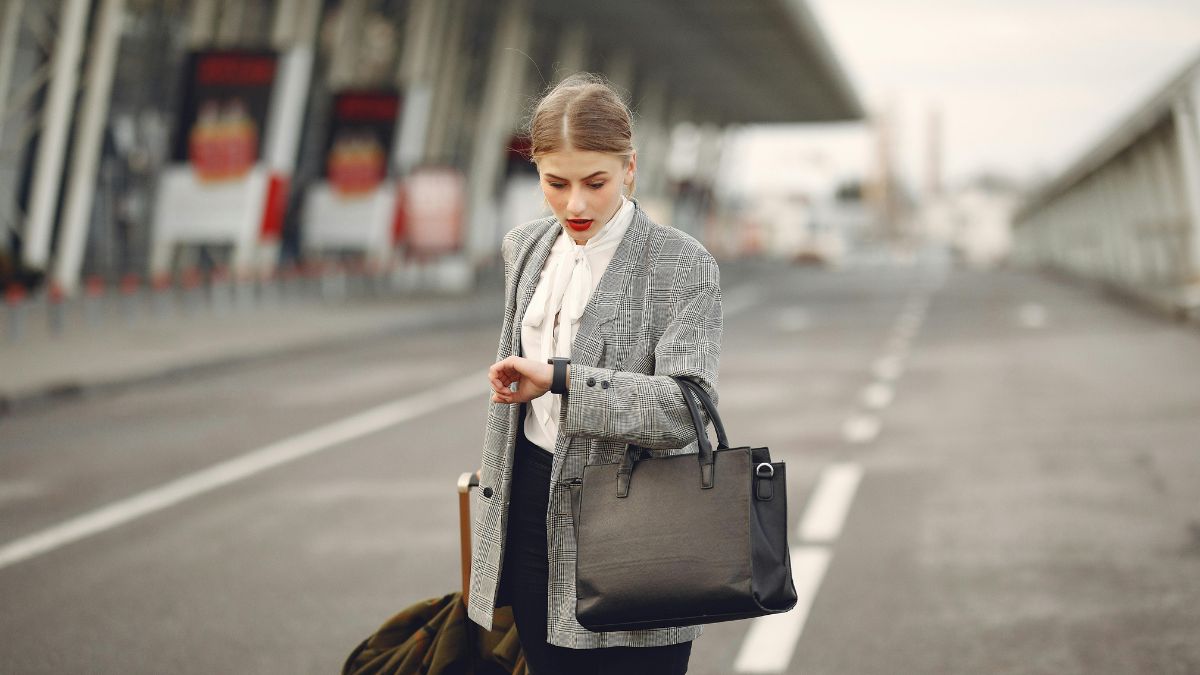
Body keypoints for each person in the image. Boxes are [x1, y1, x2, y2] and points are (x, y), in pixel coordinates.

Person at [467, 73, 723, 675]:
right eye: (556, 183)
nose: (575, 205)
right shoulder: (525, 248)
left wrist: (561, 379)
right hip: (530, 513)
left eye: (595, 182)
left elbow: (683, 411)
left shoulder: (682, 263)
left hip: (639, 523)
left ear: (629, 169)